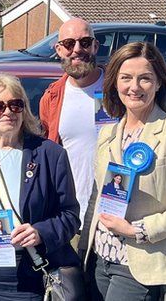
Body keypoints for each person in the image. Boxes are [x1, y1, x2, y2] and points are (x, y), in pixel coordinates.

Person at [86, 42, 166, 300]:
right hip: (102, 258)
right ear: (115, 82)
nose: (134, 87)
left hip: (140, 264)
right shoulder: (108, 133)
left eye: (145, 79)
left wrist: (136, 230)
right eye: (126, 78)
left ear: (159, 83)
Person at [0, 74, 81, 301]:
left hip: (30, 275)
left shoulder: (50, 154)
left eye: (15, 105)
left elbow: (70, 215)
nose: (8, 112)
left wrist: (41, 232)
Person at [39, 19, 105, 251]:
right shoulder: (52, 97)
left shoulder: (119, 90)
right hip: (71, 217)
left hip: (112, 216)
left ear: (95, 46)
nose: (77, 49)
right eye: (69, 43)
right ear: (59, 50)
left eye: (84, 42)